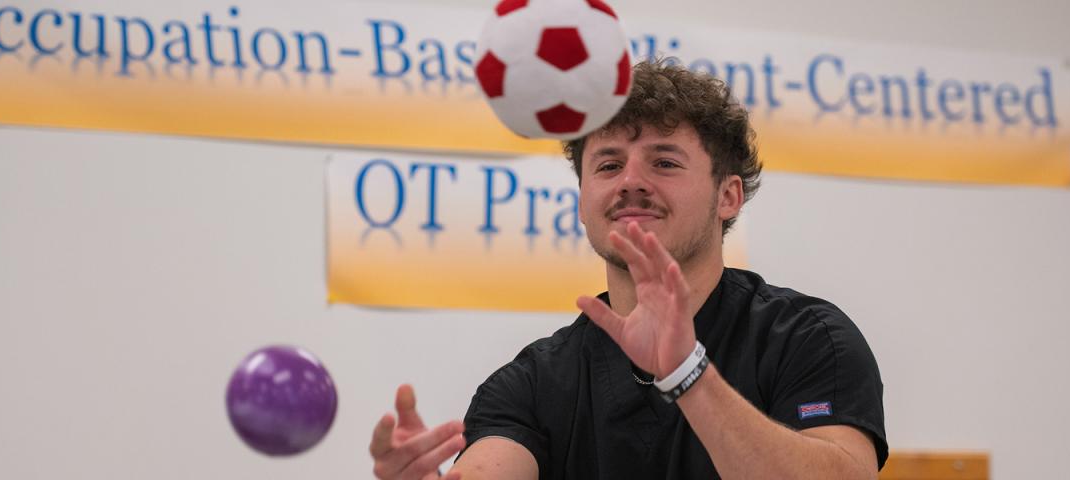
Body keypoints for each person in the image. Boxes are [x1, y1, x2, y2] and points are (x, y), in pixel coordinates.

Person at [368, 59, 887, 480]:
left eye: (664, 162)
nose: (630, 182)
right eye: (609, 164)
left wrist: (688, 374)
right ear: (581, 198)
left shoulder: (808, 338)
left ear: (728, 196)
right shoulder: (532, 382)